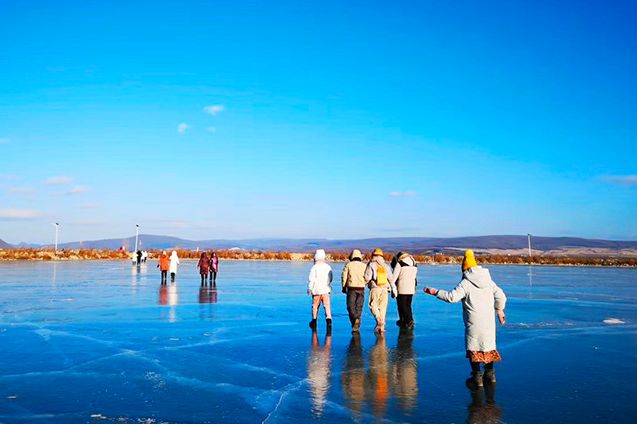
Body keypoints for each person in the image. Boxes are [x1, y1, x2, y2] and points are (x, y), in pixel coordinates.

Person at [424, 249, 507, 388]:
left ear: (465, 268)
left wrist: (434, 292)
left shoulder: (466, 283)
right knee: (488, 345)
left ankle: (477, 377)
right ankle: (490, 374)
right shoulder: (488, 281)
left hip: (474, 321)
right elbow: (501, 296)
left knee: (474, 347)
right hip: (488, 321)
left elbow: (452, 297)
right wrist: (499, 310)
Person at [364, 248, 396, 333]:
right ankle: (381, 327)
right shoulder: (386, 266)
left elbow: (367, 277)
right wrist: (393, 289)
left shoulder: (371, 264)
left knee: (372, 305)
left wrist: (363, 283)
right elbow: (391, 279)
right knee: (383, 308)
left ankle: (379, 320)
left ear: (373, 255)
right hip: (385, 289)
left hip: (375, 288)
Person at [389, 251, 418, 329]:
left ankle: (407, 321)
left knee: (402, 306)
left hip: (402, 288)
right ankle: (408, 320)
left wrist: (393, 289)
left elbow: (393, 279)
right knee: (408, 305)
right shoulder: (414, 264)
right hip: (411, 288)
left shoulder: (400, 264)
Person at [341, 249, 367, 332]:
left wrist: (344, 287)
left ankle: (355, 320)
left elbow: (344, 276)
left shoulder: (348, 265)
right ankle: (357, 321)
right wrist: (364, 283)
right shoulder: (364, 265)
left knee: (350, 306)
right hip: (361, 288)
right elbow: (367, 277)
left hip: (351, 288)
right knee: (359, 306)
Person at [308, 249, 333, 331]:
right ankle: (329, 321)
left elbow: (311, 279)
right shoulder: (328, 267)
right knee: (327, 307)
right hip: (326, 290)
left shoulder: (314, 267)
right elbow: (330, 277)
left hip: (317, 290)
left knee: (315, 306)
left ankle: (314, 321)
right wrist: (328, 284)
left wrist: (310, 288)